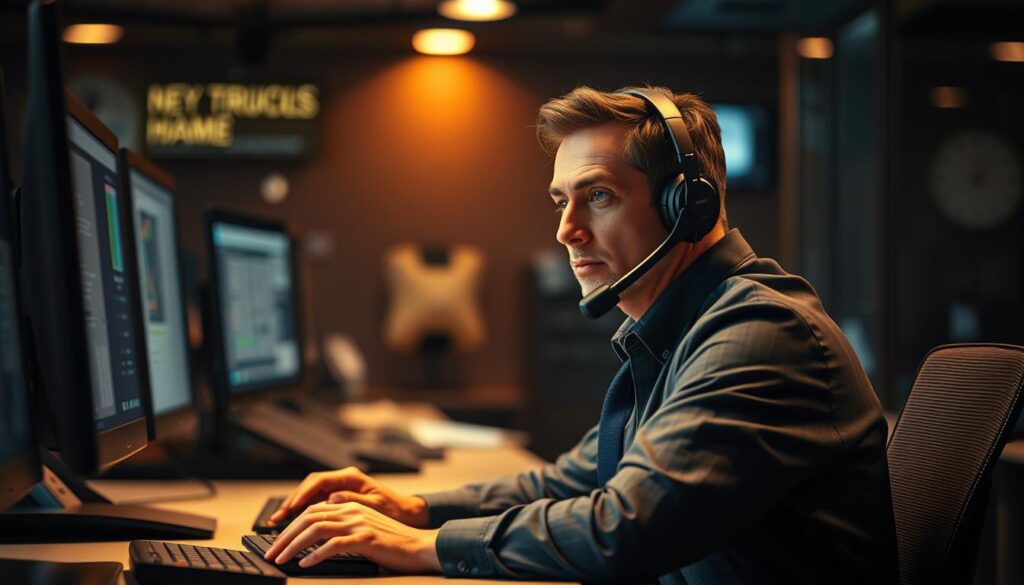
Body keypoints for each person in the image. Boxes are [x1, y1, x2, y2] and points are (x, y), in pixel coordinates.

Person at [261, 85, 899, 583]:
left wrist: (424, 547)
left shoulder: (761, 332)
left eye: (597, 196)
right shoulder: (681, 333)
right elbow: (577, 482)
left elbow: (622, 528)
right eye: (559, 200)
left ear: (689, 206)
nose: (566, 229)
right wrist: (416, 510)